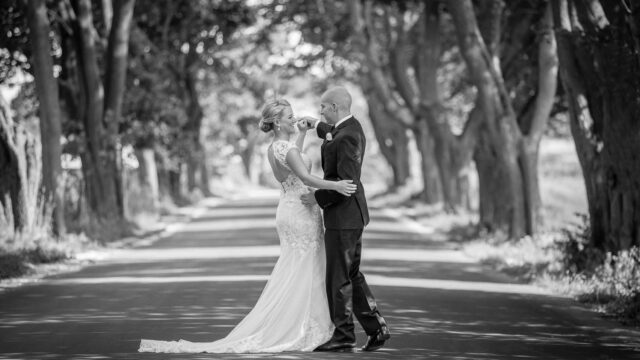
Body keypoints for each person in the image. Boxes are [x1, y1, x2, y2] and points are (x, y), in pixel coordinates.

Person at [138, 99, 357, 353]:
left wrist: (302, 135)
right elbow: (306, 177)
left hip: (289, 208)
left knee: (297, 267)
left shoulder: (275, 148)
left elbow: (293, 169)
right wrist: (337, 186)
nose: (294, 118)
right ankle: (305, 326)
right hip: (301, 212)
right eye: (289, 116)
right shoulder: (287, 150)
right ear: (276, 121)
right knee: (307, 266)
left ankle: (302, 322)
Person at [299, 86, 390, 353]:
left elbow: (345, 183)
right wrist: (314, 124)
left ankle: (343, 335)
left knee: (338, 278)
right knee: (351, 274)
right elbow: (330, 133)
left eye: (323, 108)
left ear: (335, 108)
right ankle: (377, 328)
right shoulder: (347, 128)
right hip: (349, 216)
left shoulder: (347, 135)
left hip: (344, 216)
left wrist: (318, 198)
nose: (320, 111)